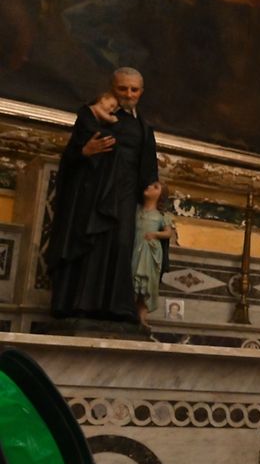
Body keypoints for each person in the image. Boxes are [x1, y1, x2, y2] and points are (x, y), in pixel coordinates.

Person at [47, 67, 159, 322]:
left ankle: (116, 308)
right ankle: (79, 305)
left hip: (126, 196)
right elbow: (71, 156)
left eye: (134, 89)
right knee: (91, 244)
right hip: (93, 194)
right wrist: (84, 152)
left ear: (141, 92)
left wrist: (150, 202)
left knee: (122, 245)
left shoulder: (145, 128)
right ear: (112, 88)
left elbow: (149, 170)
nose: (128, 94)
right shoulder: (93, 116)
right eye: (122, 88)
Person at [132, 181, 175, 332]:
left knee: (147, 283)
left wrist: (155, 234)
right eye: (150, 185)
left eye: (155, 187)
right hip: (135, 247)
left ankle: (142, 316)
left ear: (160, 196)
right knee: (132, 278)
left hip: (150, 251)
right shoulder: (136, 209)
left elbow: (168, 233)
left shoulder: (162, 216)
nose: (149, 187)